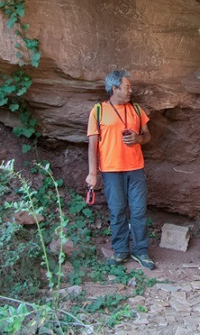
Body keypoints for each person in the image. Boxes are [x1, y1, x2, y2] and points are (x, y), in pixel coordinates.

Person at [86, 70, 154, 270]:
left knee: (139, 211)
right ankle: (121, 251)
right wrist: (92, 173)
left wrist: (138, 138)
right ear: (114, 89)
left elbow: (147, 135)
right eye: (127, 87)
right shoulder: (98, 111)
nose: (130, 91)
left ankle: (141, 252)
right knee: (117, 211)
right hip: (111, 170)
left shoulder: (136, 109)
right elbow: (92, 145)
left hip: (135, 169)